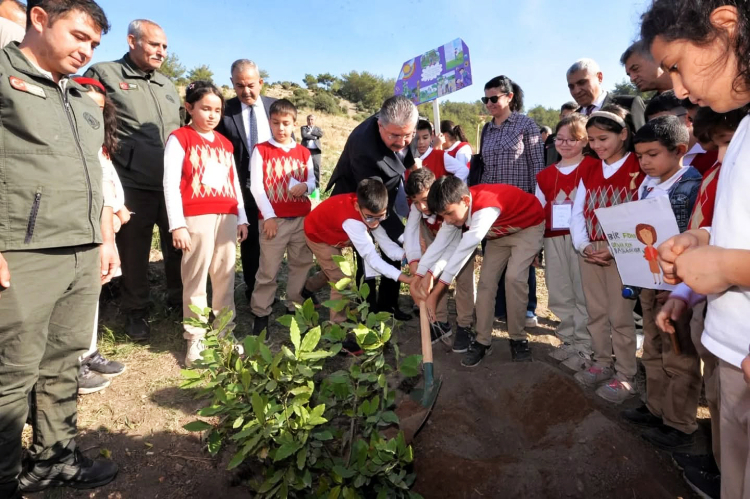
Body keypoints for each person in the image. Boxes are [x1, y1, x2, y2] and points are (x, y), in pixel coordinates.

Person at [0, 1, 119, 496]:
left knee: (64, 362)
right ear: (39, 19)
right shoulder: (4, 76)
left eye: (94, 44)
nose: (86, 50)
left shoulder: (80, 97)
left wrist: (105, 238)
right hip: (23, 253)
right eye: (78, 36)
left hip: (82, 250)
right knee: (11, 374)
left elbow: (95, 176)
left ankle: (54, 459)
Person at [642, 3, 750, 497]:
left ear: (724, 27)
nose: (679, 89)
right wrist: (700, 241)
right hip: (732, 348)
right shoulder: (742, 132)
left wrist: (724, 265)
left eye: (677, 66)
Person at [654, 106, 746, 499]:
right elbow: (719, 236)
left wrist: (718, 263)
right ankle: (723, 473)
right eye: (715, 146)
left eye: (727, 142)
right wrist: (683, 292)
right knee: (723, 407)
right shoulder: (718, 173)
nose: (722, 155)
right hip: (721, 325)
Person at [85, 19, 183, 342]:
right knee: (134, 252)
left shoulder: (166, 85)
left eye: (165, 47)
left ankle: (179, 300)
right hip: (131, 184)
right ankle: (136, 311)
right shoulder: (105, 74)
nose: (161, 52)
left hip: (170, 185)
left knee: (177, 246)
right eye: (155, 44)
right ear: (132, 41)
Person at [623, 116, 702, 451]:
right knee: (653, 348)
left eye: (652, 154)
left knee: (678, 354)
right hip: (649, 279)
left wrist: (678, 284)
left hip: (677, 286)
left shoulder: (692, 185)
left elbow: (695, 235)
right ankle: (656, 408)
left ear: (679, 150)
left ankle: (679, 423)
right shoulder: (647, 184)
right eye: (640, 156)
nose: (644, 162)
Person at [413, 176, 545, 366]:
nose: (447, 220)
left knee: (514, 278)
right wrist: (420, 275)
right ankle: (483, 341)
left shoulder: (485, 208)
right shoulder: (456, 208)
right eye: (443, 216)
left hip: (527, 227)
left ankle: (518, 339)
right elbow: (439, 245)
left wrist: (436, 292)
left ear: (466, 201)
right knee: (486, 284)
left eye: (449, 214)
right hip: (498, 234)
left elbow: (465, 250)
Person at [163, 81, 248, 366]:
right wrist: (177, 224)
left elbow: (233, 182)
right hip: (196, 217)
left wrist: (242, 216)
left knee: (225, 274)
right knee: (196, 277)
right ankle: (195, 337)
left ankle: (224, 331)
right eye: (205, 109)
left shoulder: (225, 143)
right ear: (189, 107)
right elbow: (170, 183)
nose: (212, 115)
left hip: (227, 215)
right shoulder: (180, 138)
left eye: (217, 110)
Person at [571, 105, 645, 404]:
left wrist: (615, 249)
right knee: (596, 310)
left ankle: (626, 374)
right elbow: (578, 211)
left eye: (603, 138)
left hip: (624, 251)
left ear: (623, 134)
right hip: (591, 250)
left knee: (621, 316)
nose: (597, 145)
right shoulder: (588, 168)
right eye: (592, 139)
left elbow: (643, 212)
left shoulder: (638, 165)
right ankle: (601, 362)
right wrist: (584, 245)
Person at [326, 95, 418, 320]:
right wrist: (406, 238)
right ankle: (367, 311)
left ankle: (388, 307)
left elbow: (410, 160)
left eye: (407, 135)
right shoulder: (363, 147)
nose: (402, 142)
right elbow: (373, 202)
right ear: (380, 126)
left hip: (387, 190)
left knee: (393, 251)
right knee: (366, 256)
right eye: (394, 136)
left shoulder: (407, 127)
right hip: (359, 198)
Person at [73, 76, 129, 394]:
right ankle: (73, 363)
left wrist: (119, 209)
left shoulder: (101, 146)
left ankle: (88, 350)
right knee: (77, 295)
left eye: (99, 108)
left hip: (103, 224)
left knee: (92, 289)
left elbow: (109, 181)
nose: (93, 113)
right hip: (82, 226)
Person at [478, 75, 544, 329]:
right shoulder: (487, 130)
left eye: (494, 98)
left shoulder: (526, 125)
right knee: (494, 260)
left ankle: (527, 309)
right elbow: (484, 169)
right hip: (491, 209)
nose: (489, 104)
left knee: (522, 262)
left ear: (509, 97)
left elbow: (537, 167)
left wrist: (537, 205)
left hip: (520, 207)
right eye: (485, 99)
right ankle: (500, 307)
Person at [304, 179, 413, 328]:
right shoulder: (353, 222)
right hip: (319, 236)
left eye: (381, 217)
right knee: (341, 280)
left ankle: (307, 288)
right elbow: (373, 259)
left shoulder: (371, 211)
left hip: (338, 233)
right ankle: (337, 327)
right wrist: (406, 278)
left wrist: (406, 257)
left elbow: (387, 246)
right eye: (370, 217)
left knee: (331, 270)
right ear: (357, 206)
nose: (375, 223)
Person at [249, 99, 316, 337]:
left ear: (294, 124)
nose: (281, 128)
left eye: (286, 123)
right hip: (273, 221)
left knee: (301, 264)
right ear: (270, 123)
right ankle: (261, 312)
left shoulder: (304, 152)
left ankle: (294, 305)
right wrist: (268, 216)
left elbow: (312, 181)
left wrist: (306, 187)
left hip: (301, 219)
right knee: (268, 269)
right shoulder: (261, 150)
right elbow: (257, 188)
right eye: (276, 123)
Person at [535, 114, 591, 371]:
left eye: (573, 139)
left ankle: (586, 344)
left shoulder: (593, 167)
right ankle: (568, 338)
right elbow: (538, 211)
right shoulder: (544, 175)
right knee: (559, 290)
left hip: (585, 240)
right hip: (553, 238)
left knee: (583, 291)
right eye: (560, 138)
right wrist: (536, 245)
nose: (565, 144)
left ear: (585, 141)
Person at [404, 168, 476, 347]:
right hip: (434, 240)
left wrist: (432, 271)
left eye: (425, 200)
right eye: (416, 202)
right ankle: (439, 322)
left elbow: (451, 248)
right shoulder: (417, 209)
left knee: (463, 280)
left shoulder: (449, 205)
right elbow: (410, 232)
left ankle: (465, 325)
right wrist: (414, 261)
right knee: (432, 280)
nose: (422, 206)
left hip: (460, 241)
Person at [645, 91, 720, 176]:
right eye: (652, 126)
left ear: (687, 119)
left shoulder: (718, 152)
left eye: (663, 124)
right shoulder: (656, 160)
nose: (658, 131)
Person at [566, 58, 647, 130]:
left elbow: (644, 139)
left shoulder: (628, 104)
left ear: (599, 77)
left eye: (582, 82)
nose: (576, 91)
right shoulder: (571, 119)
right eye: (571, 87)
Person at [544, 101, 580, 166]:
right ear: (560, 117)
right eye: (565, 116)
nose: (567, 120)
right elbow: (544, 160)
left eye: (572, 117)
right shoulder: (550, 139)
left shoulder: (580, 139)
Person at [301, 114, 324, 187]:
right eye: (309, 119)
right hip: (306, 150)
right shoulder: (303, 128)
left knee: (316, 167)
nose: (310, 121)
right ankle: (304, 184)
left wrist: (311, 132)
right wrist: (315, 137)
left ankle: (316, 186)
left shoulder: (318, 128)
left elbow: (320, 134)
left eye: (312, 119)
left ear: (315, 120)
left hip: (316, 151)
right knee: (304, 167)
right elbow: (304, 135)